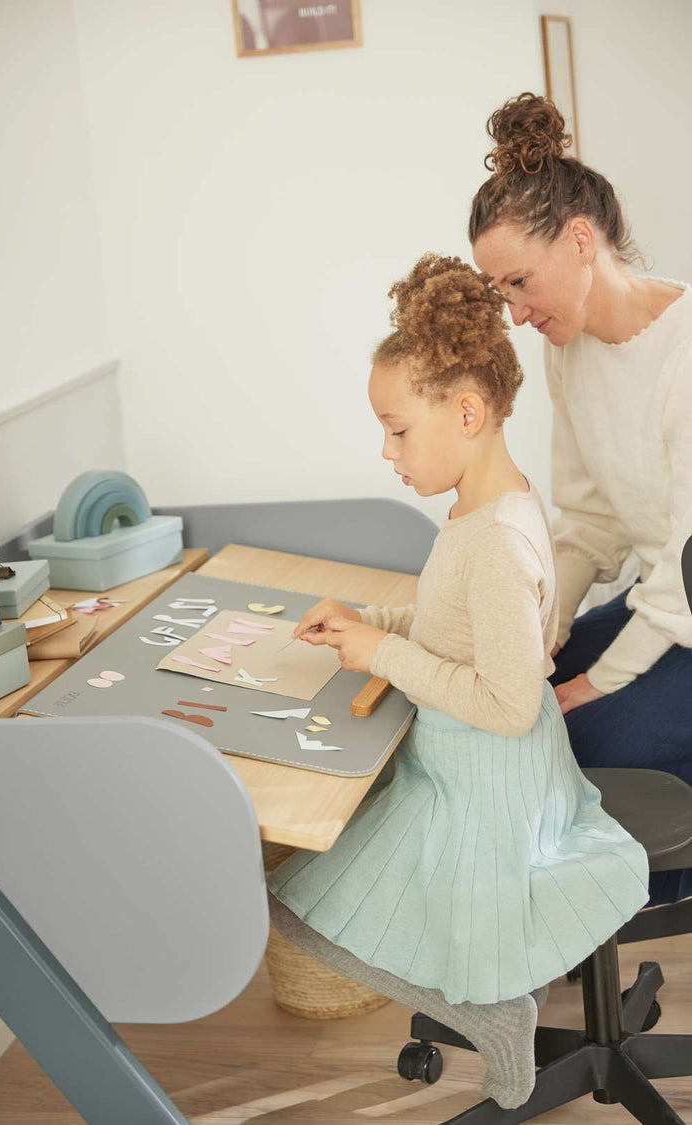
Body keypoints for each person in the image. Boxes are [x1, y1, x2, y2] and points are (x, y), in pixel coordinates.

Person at [267, 253, 649, 1109]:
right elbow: (458, 632)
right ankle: (489, 999)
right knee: (313, 890)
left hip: (485, 792)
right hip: (466, 768)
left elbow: (510, 704)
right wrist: (374, 623)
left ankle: (494, 1016)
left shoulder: (496, 541)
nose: (386, 448)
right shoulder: (486, 507)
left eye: (398, 428)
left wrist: (382, 655)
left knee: (294, 904)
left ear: (467, 412)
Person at [470, 93, 692, 907]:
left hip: (686, 605)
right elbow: (591, 523)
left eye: (521, 282)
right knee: (517, 695)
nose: (517, 312)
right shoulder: (570, 353)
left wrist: (596, 684)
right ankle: (610, 901)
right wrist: (544, 628)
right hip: (667, 606)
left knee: (577, 725)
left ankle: (647, 897)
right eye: (502, 292)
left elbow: (682, 566)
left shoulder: (684, 358)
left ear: (581, 239)